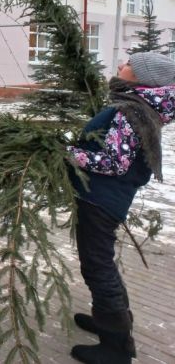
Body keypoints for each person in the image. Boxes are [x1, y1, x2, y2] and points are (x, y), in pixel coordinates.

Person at [67, 51, 175, 363]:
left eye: (129, 64)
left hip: (101, 199)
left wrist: (69, 152)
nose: (120, 65)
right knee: (102, 263)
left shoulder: (132, 112)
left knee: (98, 266)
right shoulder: (137, 106)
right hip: (103, 196)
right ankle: (109, 321)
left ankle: (116, 346)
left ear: (143, 78)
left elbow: (114, 162)